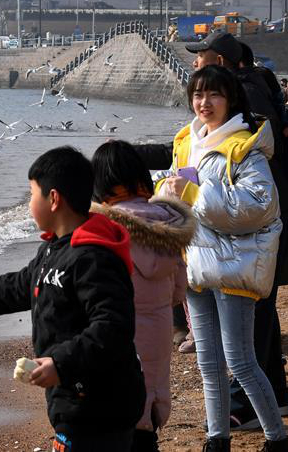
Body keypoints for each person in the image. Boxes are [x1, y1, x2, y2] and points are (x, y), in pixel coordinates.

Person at [134, 31, 288, 429]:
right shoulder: (190, 138)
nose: (203, 100)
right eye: (197, 95)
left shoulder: (246, 133)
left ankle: (272, 427)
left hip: (238, 256)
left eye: (202, 58)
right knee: (211, 362)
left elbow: (255, 200)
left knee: (241, 356)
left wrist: (191, 192)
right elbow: (179, 179)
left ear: (223, 67)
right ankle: (218, 435)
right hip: (199, 259)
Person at [0, 146, 145, 451]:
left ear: (53, 199)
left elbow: (113, 326)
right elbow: (25, 283)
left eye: (31, 195)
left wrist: (60, 363)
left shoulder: (93, 258)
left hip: (98, 401)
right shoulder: (54, 250)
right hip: (73, 396)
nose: (29, 204)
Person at [91, 140, 196, 452]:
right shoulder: (169, 226)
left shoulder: (104, 230)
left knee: (118, 413)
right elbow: (179, 291)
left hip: (121, 338)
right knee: (148, 404)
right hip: (159, 330)